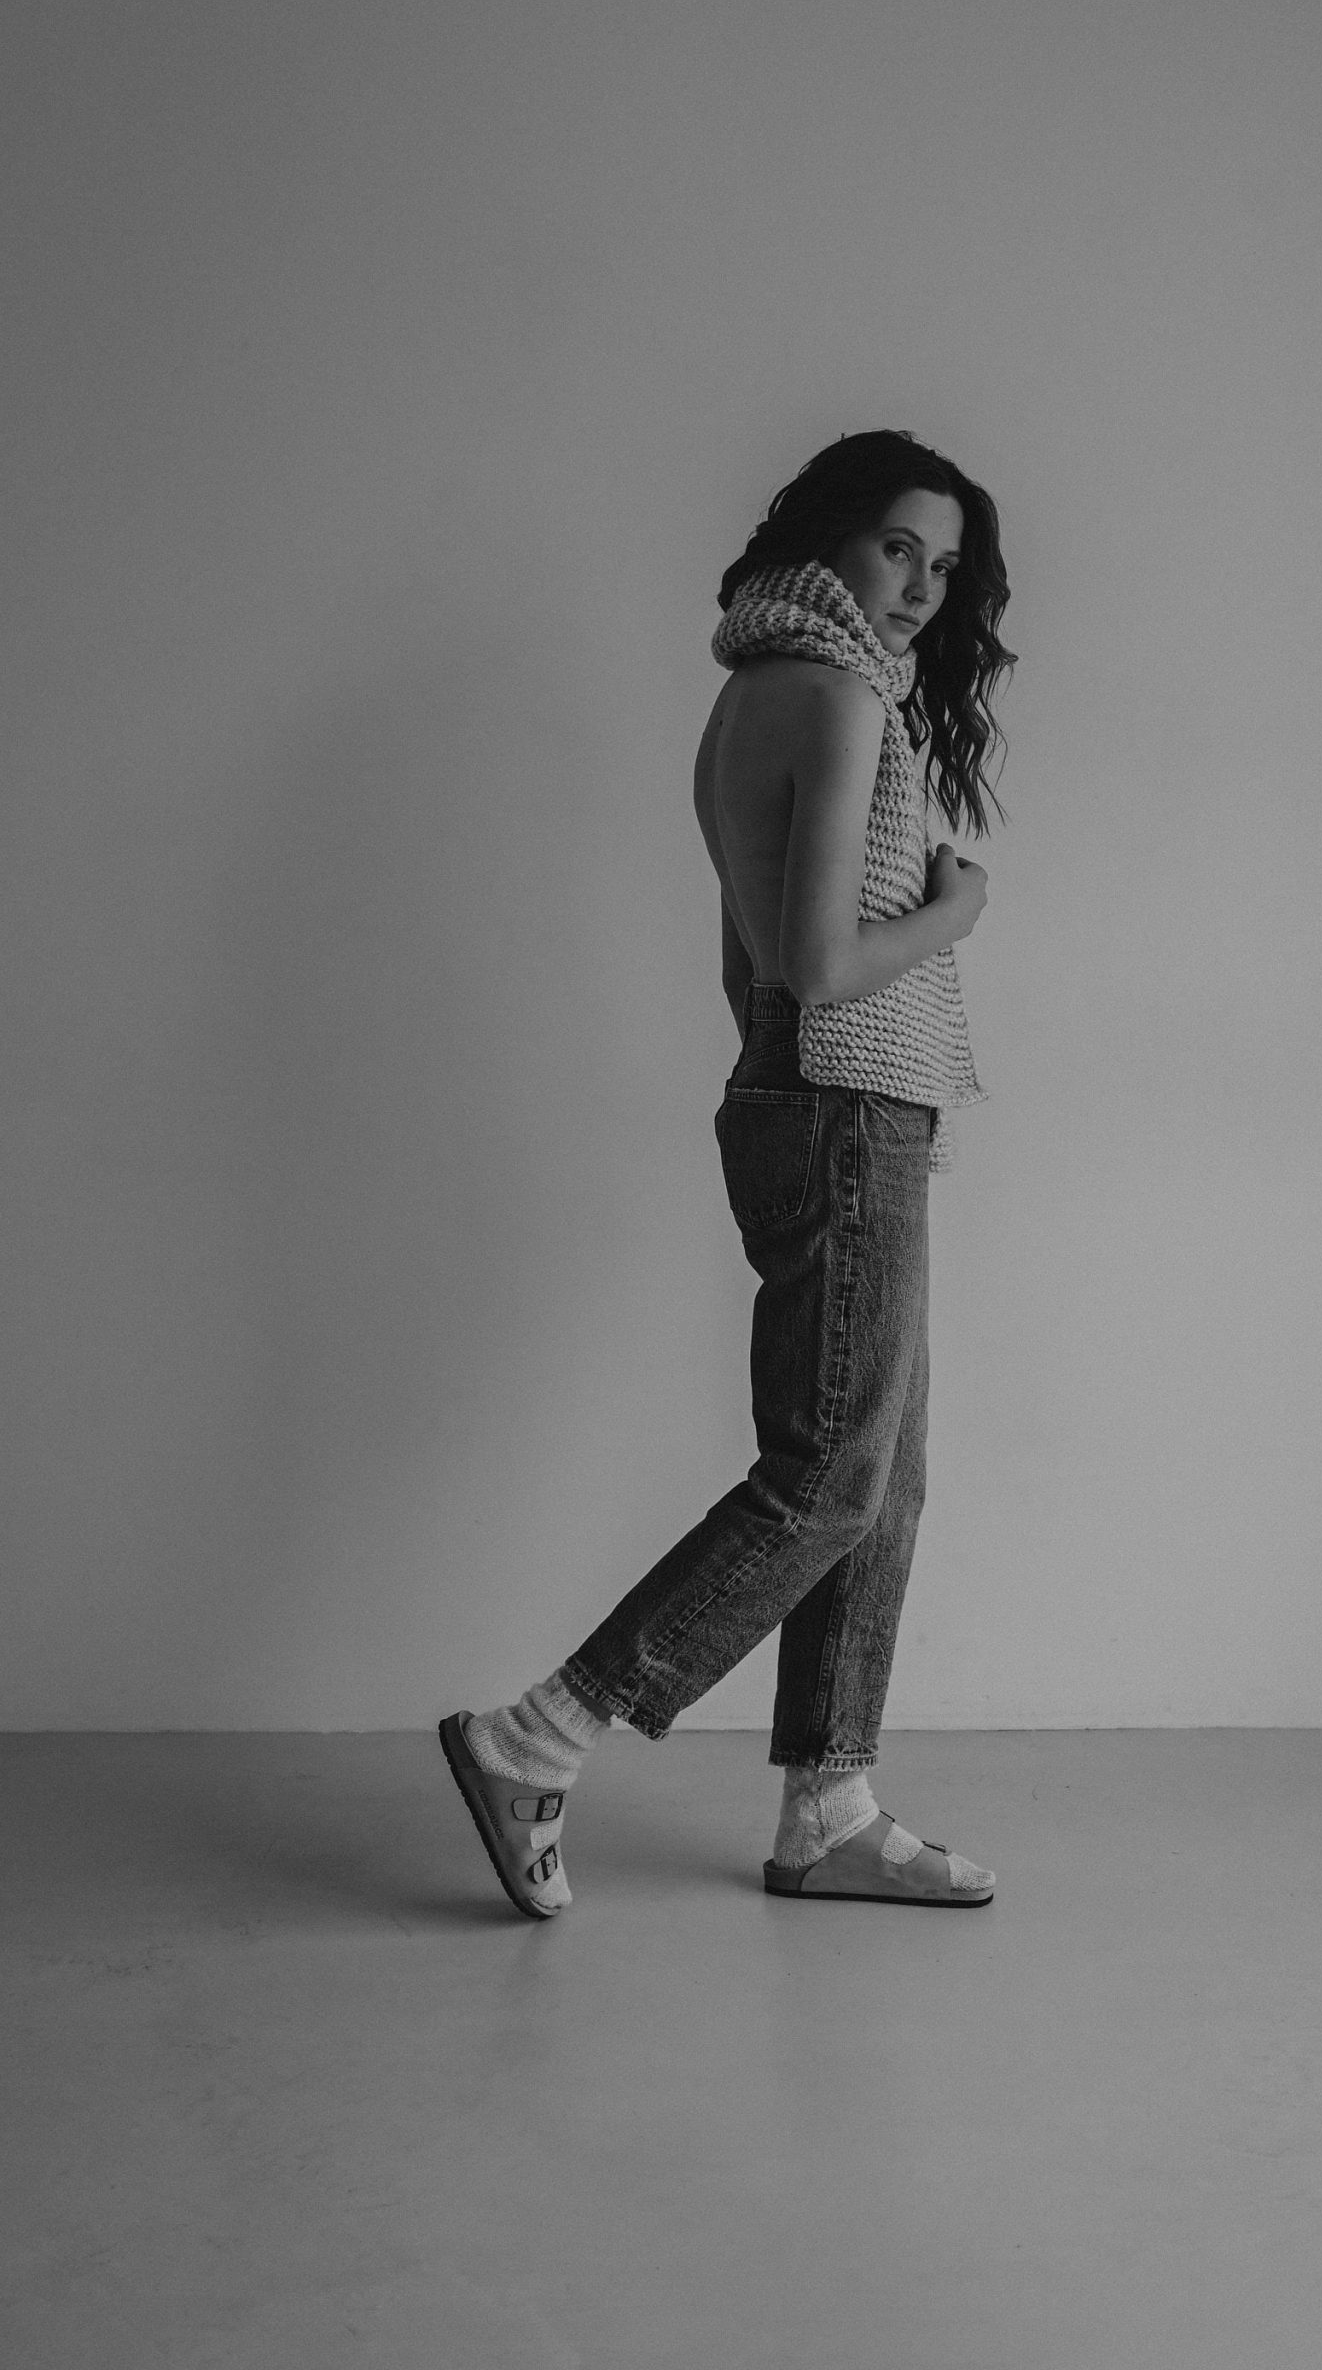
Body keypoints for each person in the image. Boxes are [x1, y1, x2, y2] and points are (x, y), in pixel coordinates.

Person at [440, 428, 1017, 1915]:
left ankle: (830, 1808)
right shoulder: (838, 699)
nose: (921, 588)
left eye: (944, 567)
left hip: (803, 1095)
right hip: (844, 1103)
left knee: (879, 1481)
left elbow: (751, 964)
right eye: (898, 548)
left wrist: (789, 1090)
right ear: (832, 538)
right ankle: (536, 1737)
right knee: (827, 1479)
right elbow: (819, 967)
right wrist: (955, 914)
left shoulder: (754, 691)